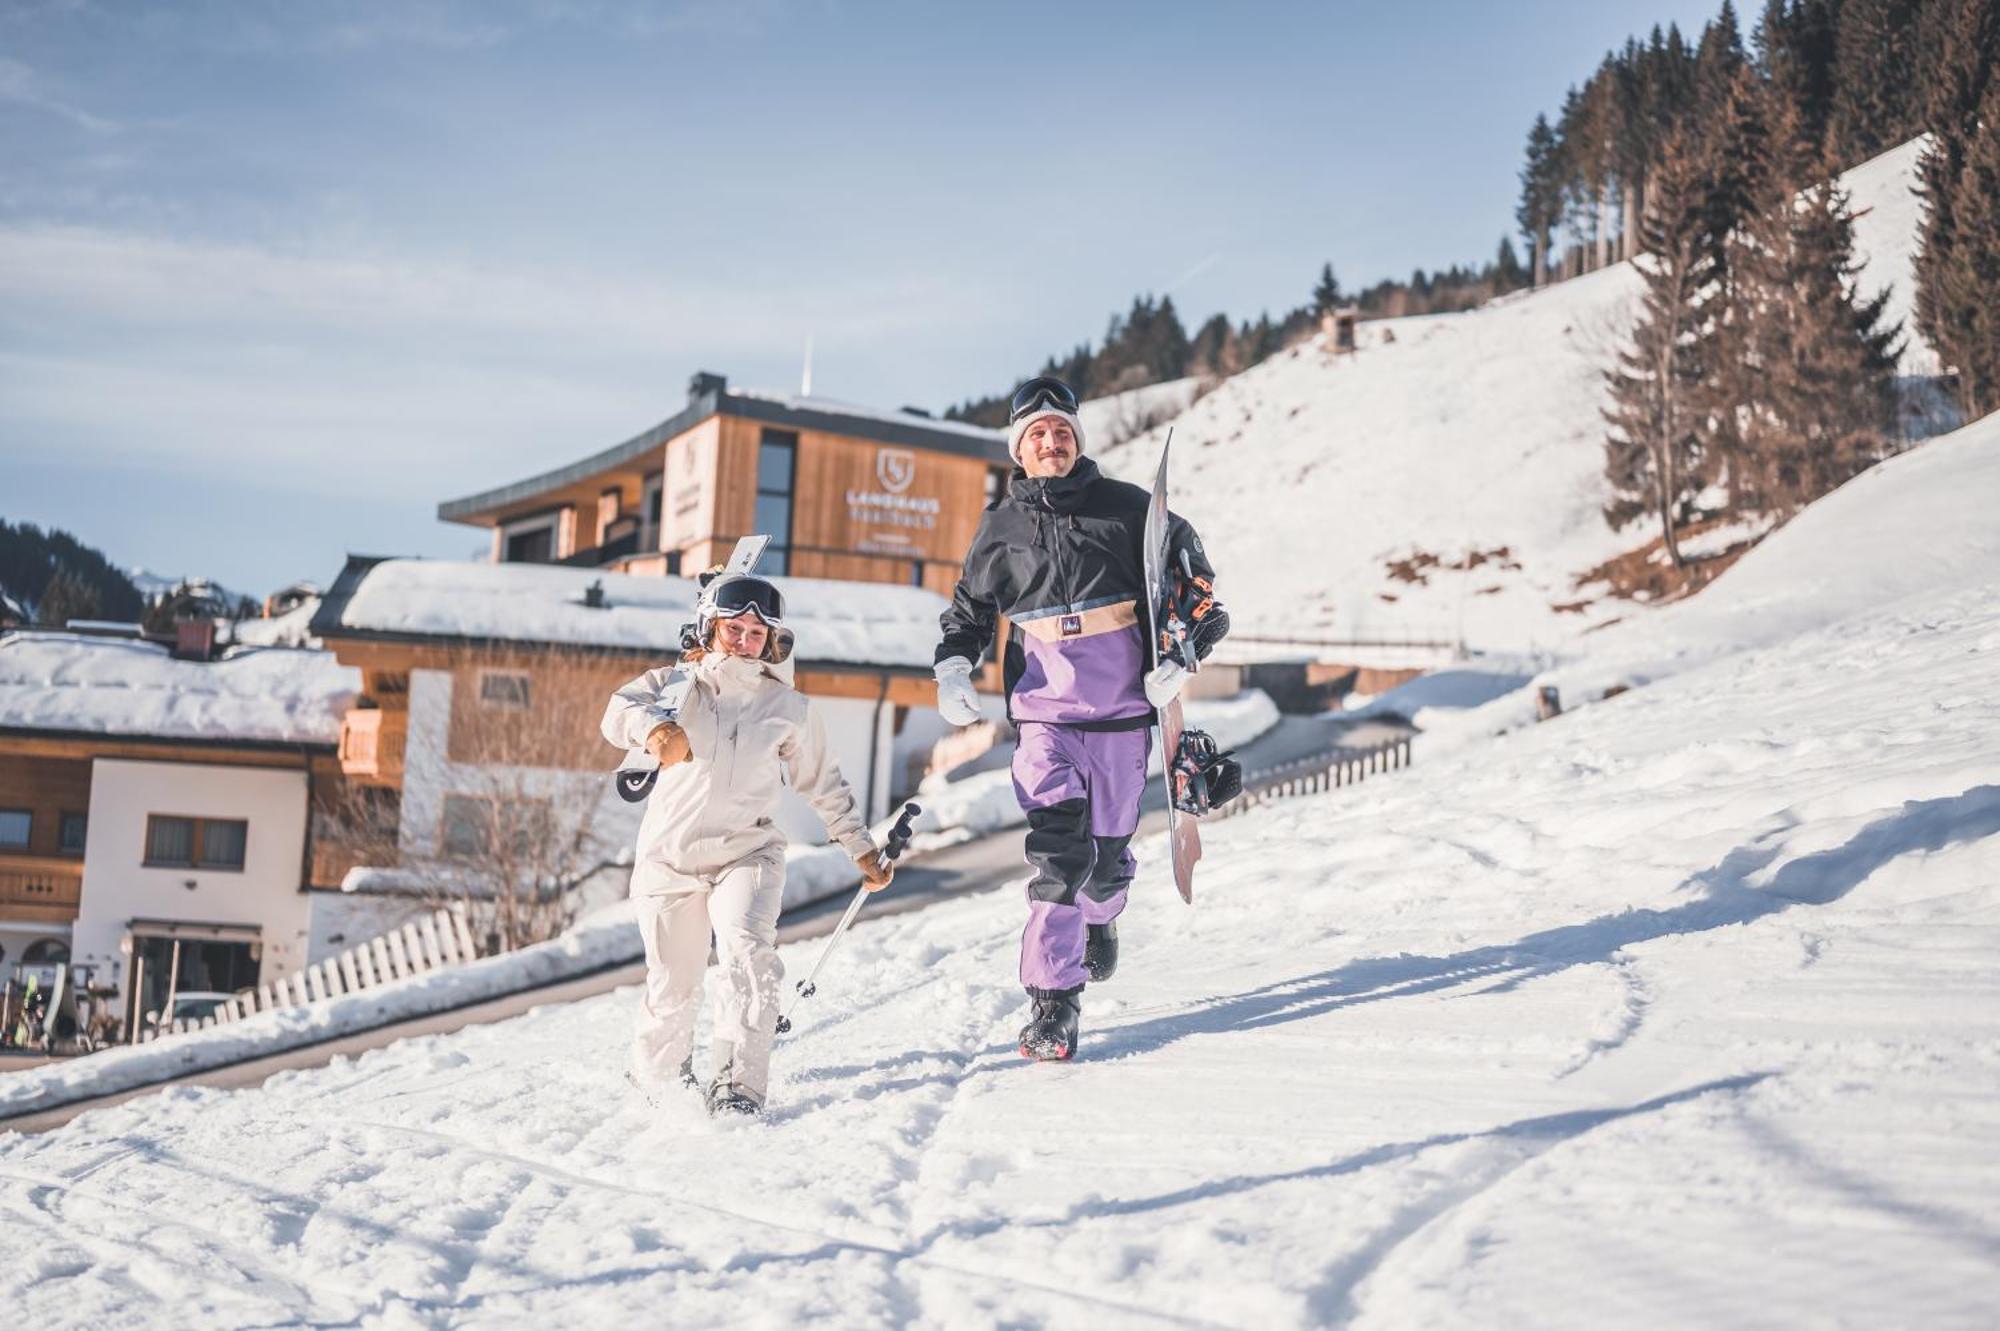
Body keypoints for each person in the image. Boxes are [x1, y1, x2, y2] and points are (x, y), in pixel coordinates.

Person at [934, 375, 1227, 1061]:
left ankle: (1103, 917)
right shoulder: (999, 531)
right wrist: (953, 664)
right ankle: (1053, 1005)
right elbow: (969, 612)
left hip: (1124, 720)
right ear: (1019, 450)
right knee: (1058, 859)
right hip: (1045, 722)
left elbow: (1200, 592)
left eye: (1061, 431)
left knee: (1103, 866)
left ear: (1077, 441)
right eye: (1037, 434)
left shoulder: (1131, 512)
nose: (1050, 441)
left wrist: (1182, 656)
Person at [602, 570, 897, 1115]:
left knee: (748, 957)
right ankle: (658, 1082)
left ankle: (737, 1086)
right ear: (710, 629)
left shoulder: (788, 707)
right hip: (669, 861)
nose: (744, 640)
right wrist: (655, 731)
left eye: (756, 633)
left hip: (747, 853)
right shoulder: (674, 687)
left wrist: (860, 847)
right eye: (733, 629)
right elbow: (616, 711)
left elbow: (823, 782)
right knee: (673, 981)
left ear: (773, 641)